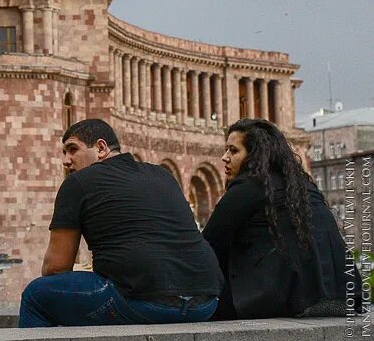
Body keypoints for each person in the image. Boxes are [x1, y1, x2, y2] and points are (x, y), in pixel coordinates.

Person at [19, 119, 223, 327]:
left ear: (101, 148)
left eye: (72, 150)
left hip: (144, 302)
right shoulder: (162, 174)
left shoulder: (77, 183)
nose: (66, 160)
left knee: (36, 295)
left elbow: (55, 268)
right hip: (206, 301)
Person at [203, 118, 354, 319]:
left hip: (284, 301)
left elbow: (207, 247)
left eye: (233, 150)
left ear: (255, 155)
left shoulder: (248, 188)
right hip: (341, 297)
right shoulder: (304, 187)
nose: (225, 157)